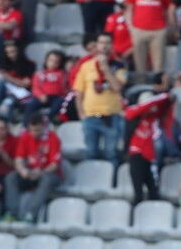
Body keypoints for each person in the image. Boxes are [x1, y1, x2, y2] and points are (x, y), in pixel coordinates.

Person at [73, 32, 127, 167]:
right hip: (91, 115)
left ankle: (112, 184)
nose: (104, 46)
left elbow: (117, 87)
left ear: (112, 45)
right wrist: (81, 113)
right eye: (101, 42)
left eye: (108, 42)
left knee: (111, 153)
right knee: (91, 152)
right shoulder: (85, 66)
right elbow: (79, 92)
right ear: (96, 45)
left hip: (111, 116)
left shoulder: (119, 65)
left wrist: (106, 69)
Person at [3, 113, 62, 222]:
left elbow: (54, 165)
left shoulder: (53, 138)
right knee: (11, 177)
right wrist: (23, 170)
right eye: (32, 130)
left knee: (47, 179)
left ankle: (31, 213)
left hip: (48, 173)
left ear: (43, 127)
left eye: (38, 130)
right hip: (30, 173)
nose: (34, 133)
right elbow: (18, 160)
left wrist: (40, 172)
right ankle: (12, 212)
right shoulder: (25, 137)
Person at [124, 92, 172, 203]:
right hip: (136, 154)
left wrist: (166, 97)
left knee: (153, 192)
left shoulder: (154, 117)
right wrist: (162, 96)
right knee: (138, 193)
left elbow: (165, 105)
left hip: (150, 156)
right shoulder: (132, 112)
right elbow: (143, 107)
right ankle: (134, 216)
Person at [0, 38, 35, 122]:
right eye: (8, 52)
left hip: (19, 96)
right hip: (4, 92)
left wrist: (7, 77)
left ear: (19, 50)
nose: (10, 55)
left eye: (13, 51)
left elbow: (25, 84)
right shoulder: (3, 64)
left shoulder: (29, 65)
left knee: (8, 102)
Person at [125, 0, 174, 76]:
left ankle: (158, 86)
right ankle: (141, 85)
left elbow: (168, 8)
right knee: (139, 63)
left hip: (158, 30)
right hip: (138, 29)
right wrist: (130, 27)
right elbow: (129, 8)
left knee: (159, 64)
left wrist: (168, 27)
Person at [25, 50, 69, 126]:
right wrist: (40, 95)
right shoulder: (39, 73)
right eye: (51, 60)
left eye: (56, 62)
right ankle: (25, 125)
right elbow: (35, 87)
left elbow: (65, 87)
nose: (53, 63)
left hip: (56, 97)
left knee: (60, 101)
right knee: (31, 104)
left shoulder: (62, 74)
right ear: (46, 61)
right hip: (42, 96)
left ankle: (47, 118)